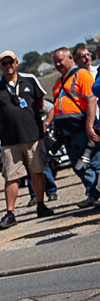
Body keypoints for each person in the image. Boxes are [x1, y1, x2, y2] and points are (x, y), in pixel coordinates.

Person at [0, 50, 55, 229]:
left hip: (33, 136)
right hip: (9, 140)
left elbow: (39, 103)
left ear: (16, 63)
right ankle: (10, 212)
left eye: (11, 62)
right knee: (11, 177)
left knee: (37, 171)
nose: (8, 66)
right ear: (0, 66)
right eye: (4, 64)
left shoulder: (29, 80)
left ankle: (41, 204)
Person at [46, 47, 100, 208]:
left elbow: (91, 100)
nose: (57, 64)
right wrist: (56, 129)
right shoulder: (58, 83)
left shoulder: (82, 75)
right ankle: (93, 194)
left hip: (83, 130)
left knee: (94, 163)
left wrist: (89, 126)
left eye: (60, 61)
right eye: (55, 62)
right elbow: (58, 107)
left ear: (70, 58)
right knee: (79, 166)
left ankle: (96, 194)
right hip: (67, 134)